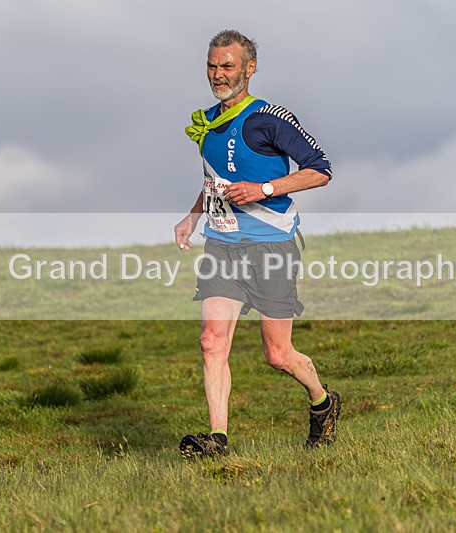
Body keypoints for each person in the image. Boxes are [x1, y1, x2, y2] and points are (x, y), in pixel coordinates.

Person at [174, 29, 340, 458]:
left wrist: (263, 189)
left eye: (227, 66)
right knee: (212, 340)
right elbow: (216, 180)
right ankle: (217, 440)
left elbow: (320, 170)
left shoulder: (270, 118)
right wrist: (193, 216)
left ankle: (322, 403)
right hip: (223, 244)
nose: (218, 74)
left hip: (271, 247)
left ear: (250, 68)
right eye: (212, 66)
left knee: (278, 353)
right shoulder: (209, 121)